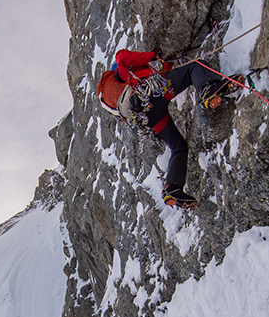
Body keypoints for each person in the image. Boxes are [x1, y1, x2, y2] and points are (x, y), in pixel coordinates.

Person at [97, 48, 238, 208]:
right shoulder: (123, 74)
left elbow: (167, 74)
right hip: (153, 95)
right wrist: (151, 55)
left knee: (178, 147)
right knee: (194, 67)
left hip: (149, 116)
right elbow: (121, 57)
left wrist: (166, 63)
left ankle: (172, 187)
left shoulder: (121, 93)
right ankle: (207, 90)